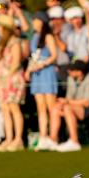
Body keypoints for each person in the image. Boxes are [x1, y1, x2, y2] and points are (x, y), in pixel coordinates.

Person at [48, 59, 89, 151]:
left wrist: (67, 102)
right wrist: (62, 103)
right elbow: (68, 98)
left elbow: (87, 102)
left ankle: (74, 141)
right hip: (73, 108)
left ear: (80, 72)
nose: (69, 71)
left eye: (72, 70)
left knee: (67, 108)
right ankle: (53, 140)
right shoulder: (70, 79)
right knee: (56, 109)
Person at [27, 13, 60, 151]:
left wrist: (43, 64)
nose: (33, 22)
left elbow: (54, 55)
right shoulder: (34, 37)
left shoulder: (48, 36)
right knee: (40, 108)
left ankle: (53, 137)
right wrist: (28, 70)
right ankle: (43, 137)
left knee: (51, 107)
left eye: (35, 19)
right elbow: (33, 57)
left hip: (47, 72)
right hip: (37, 75)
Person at [0, 13, 26, 151]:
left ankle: (18, 139)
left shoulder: (15, 42)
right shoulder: (2, 43)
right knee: (5, 109)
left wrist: (7, 77)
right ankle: (9, 138)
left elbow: (16, 61)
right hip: (2, 79)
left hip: (12, 78)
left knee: (14, 108)